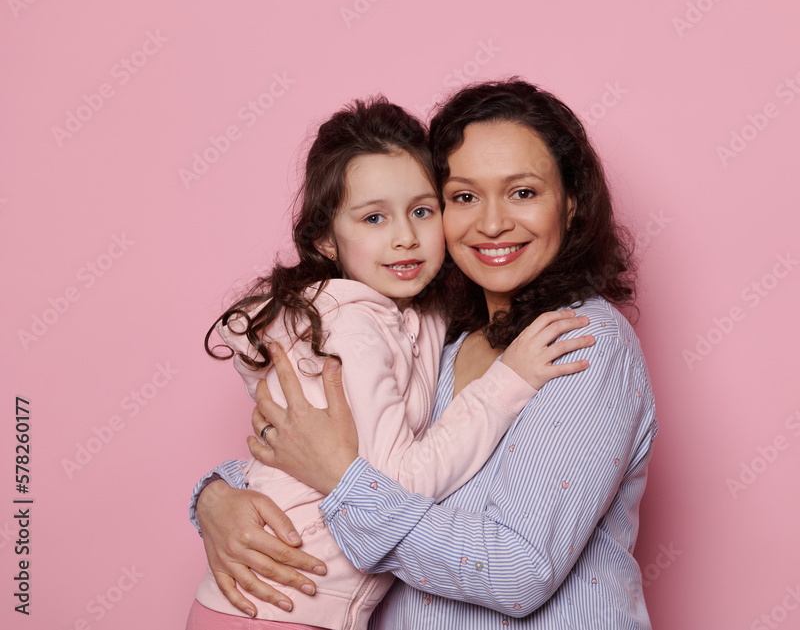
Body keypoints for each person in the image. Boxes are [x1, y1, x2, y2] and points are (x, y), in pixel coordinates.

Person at [192, 79, 659, 629]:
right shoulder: (437, 341)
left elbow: (518, 570)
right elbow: (321, 446)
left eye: (523, 192)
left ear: (572, 204)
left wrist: (345, 484)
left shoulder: (578, 340)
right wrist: (218, 497)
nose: (491, 223)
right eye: (463, 197)